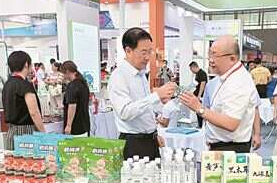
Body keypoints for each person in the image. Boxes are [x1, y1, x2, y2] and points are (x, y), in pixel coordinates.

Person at [180, 35, 258, 153]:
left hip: (230, 149)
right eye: (210, 54)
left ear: (232, 58)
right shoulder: (224, 78)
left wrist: (199, 108)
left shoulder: (238, 82)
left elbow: (231, 123)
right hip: (221, 146)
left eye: (215, 55)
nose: (210, 60)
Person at [109, 27, 176, 160]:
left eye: (150, 52)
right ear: (128, 51)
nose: (147, 57)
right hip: (134, 143)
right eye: (143, 52)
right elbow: (125, 112)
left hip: (150, 139)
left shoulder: (141, 74)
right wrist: (156, 96)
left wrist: (154, 133)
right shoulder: (119, 76)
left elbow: (144, 109)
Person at [2, 51, 45, 150]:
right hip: (27, 133)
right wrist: (43, 133)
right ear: (26, 64)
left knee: (13, 159)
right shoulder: (25, 85)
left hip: (11, 132)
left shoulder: (7, 84)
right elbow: (34, 112)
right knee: (29, 159)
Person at [61, 61, 91, 136]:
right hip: (84, 123)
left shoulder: (72, 86)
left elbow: (72, 106)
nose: (63, 76)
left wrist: (68, 125)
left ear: (67, 72)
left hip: (76, 126)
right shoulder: (83, 83)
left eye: (63, 74)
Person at [189, 61, 208, 128]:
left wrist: (199, 96)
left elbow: (203, 84)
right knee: (198, 111)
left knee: (200, 110)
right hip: (197, 95)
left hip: (201, 96)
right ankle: (199, 125)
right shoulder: (198, 73)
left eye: (191, 69)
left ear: (193, 67)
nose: (191, 71)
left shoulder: (201, 73)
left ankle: (201, 125)